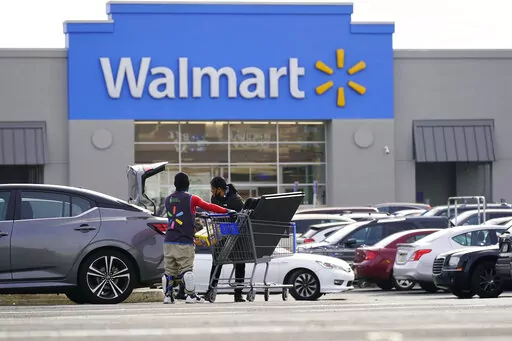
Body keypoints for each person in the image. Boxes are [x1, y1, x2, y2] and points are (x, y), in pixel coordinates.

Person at [161, 172, 234, 304]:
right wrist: (227, 211)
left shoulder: (168, 199)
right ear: (188, 184)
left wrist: (197, 214)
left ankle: (168, 295)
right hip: (184, 241)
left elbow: (179, 213)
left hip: (168, 241)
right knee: (186, 269)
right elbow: (209, 206)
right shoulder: (191, 198)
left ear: (174, 184)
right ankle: (191, 296)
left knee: (169, 271)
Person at [203, 176, 246, 303]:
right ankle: (211, 290)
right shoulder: (214, 199)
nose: (212, 192)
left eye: (213, 189)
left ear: (219, 189)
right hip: (220, 233)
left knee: (239, 263)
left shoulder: (235, 199)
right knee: (217, 262)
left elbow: (242, 219)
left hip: (235, 235)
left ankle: (238, 293)